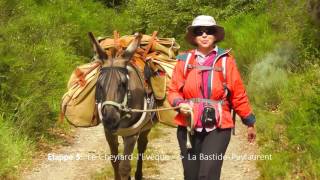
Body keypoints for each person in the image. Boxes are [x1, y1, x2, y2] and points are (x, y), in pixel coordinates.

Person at [168, 15, 256, 180]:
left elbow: (238, 93)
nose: (204, 35)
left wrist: (249, 121)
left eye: (208, 31)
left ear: (215, 35)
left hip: (218, 127)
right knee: (191, 176)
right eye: (199, 31)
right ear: (194, 36)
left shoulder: (226, 61)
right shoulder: (184, 60)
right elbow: (173, 90)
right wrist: (179, 103)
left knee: (207, 175)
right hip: (188, 125)